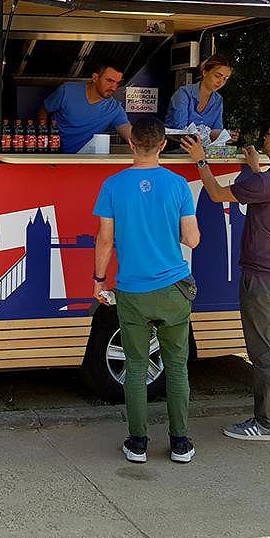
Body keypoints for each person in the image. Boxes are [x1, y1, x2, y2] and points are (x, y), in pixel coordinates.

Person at [180, 116, 270, 441]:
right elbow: (267, 192)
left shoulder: (267, 183)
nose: (264, 139)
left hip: (261, 278)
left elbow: (215, 194)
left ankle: (265, 424)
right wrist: (255, 169)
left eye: (268, 134)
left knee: (263, 353)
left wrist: (200, 160)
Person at [93, 116, 201, 464]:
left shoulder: (113, 185)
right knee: (177, 367)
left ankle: (137, 443)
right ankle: (180, 443)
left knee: (137, 367)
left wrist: (99, 280)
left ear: (131, 143)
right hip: (173, 289)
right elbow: (192, 239)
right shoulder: (178, 185)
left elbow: (105, 240)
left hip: (133, 291)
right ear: (163, 145)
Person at [39, 60, 132, 153]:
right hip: (55, 155)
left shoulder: (114, 108)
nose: (114, 88)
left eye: (117, 83)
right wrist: (43, 134)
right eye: (110, 81)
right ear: (95, 78)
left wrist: (138, 143)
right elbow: (44, 110)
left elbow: (126, 130)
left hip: (86, 157)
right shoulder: (67, 91)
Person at [165, 55, 238, 142]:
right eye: (217, 76)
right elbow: (181, 131)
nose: (221, 82)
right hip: (174, 147)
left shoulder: (218, 100)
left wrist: (226, 135)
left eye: (225, 79)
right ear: (205, 72)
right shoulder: (184, 94)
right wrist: (211, 135)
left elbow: (216, 130)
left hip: (201, 149)